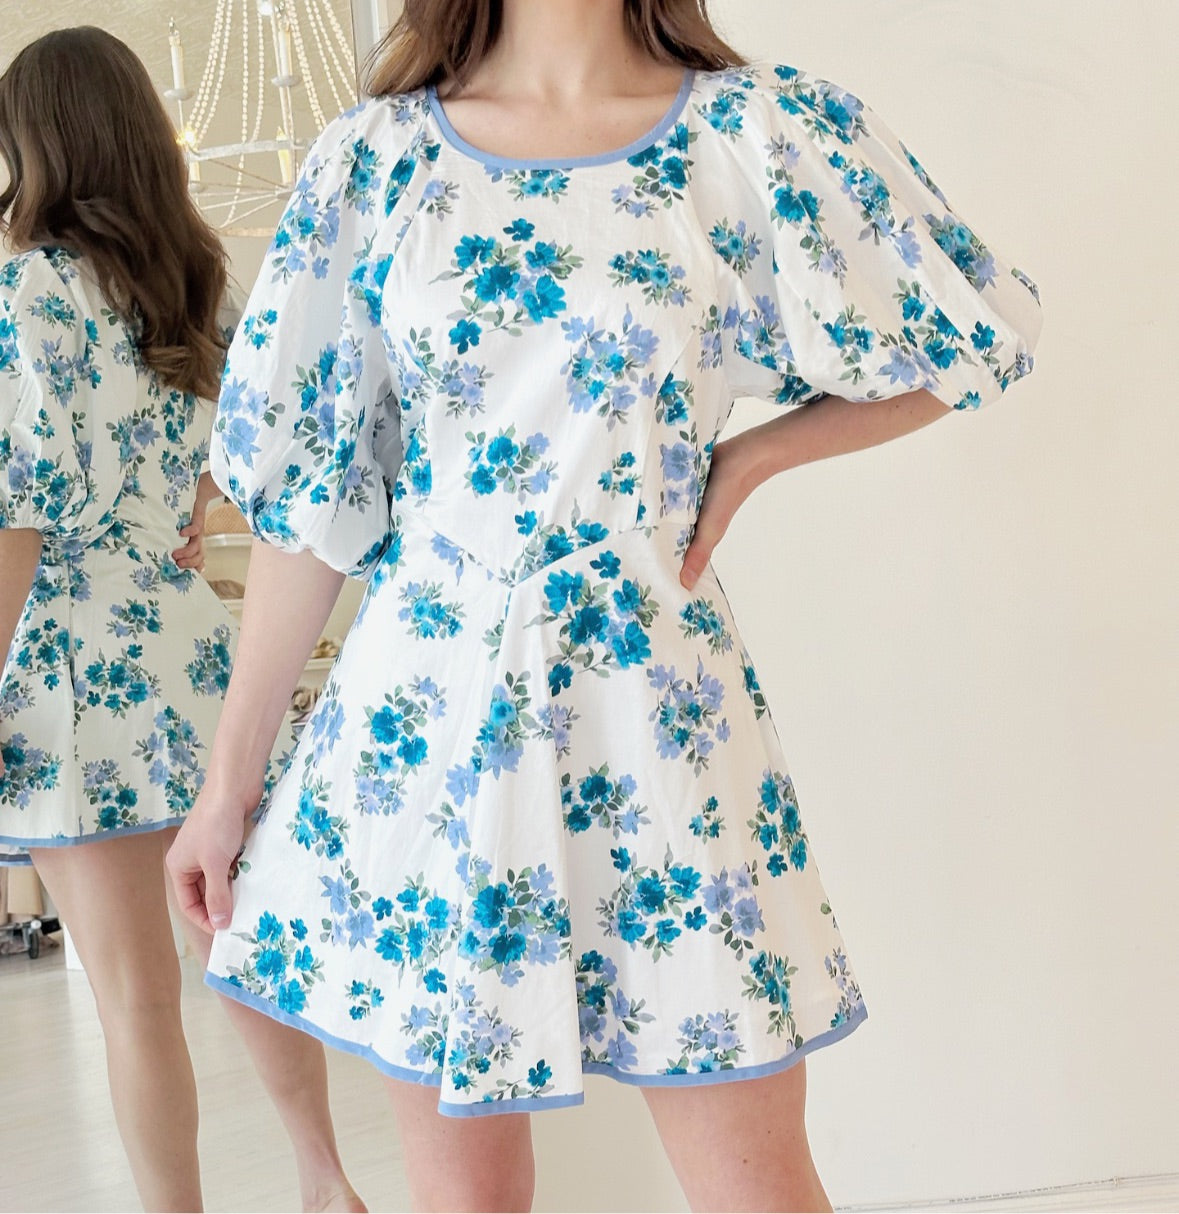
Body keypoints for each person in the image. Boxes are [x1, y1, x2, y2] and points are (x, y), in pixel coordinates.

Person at [168, 1, 1043, 1209]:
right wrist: (228, 785)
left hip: (653, 710)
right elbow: (309, 503)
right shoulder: (373, 159)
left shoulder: (754, 134)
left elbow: (979, 329)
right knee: (464, 1194)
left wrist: (754, 456)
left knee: (753, 1183)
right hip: (429, 719)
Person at [0, 28, 362, 1213]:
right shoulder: (197, 283)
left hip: (70, 673)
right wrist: (179, 506)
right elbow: (250, 461)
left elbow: (14, 520)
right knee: (241, 947)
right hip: (192, 650)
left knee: (133, 997)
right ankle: (325, 1179)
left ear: (35, 144)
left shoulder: (24, 292)